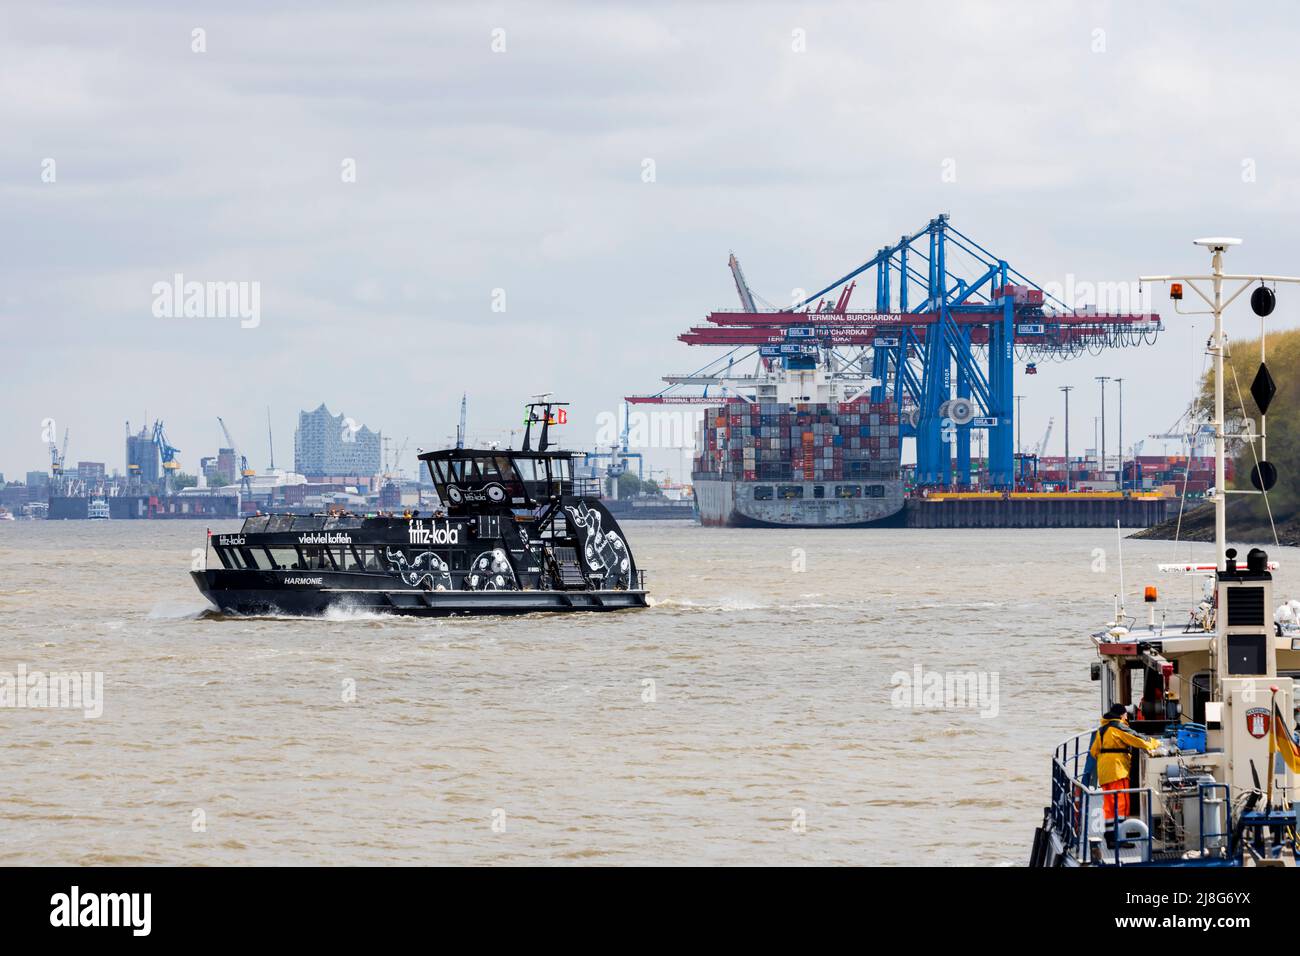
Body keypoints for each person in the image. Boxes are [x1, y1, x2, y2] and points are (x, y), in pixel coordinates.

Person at [1089, 704, 1162, 820]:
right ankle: (1121, 829)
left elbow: (1093, 752)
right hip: (1117, 771)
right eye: (1125, 715)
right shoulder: (1119, 727)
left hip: (1104, 772)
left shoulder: (1102, 729)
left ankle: (1110, 832)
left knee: (1109, 804)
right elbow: (1137, 739)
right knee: (1121, 802)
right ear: (1122, 715)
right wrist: (1155, 743)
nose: (1126, 718)